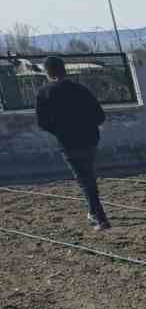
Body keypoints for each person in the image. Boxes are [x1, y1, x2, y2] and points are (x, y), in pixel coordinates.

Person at [34, 55, 110, 231]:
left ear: (48, 72)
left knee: (85, 180)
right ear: (64, 69)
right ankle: (93, 212)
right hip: (90, 140)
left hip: (68, 143)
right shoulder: (81, 89)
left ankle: (100, 218)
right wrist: (87, 126)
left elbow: (43, 123)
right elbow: (100, 116)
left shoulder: (44, 93)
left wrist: (60, 131)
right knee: (88, 177)